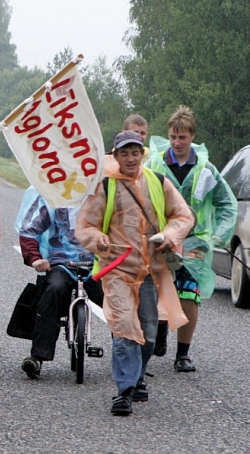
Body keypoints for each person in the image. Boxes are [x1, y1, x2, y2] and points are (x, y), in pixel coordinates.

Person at [76, 130, 193, 415]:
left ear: (142, 154)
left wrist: (169, 234)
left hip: (151, 271)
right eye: (124, 153)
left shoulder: (158, 182)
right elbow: (85, 225)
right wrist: (97, 239)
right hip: (117, 271)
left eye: (135, 152)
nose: (130, 158)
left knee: (150, 332)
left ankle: (138, 376)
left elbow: (183, 215)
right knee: (125, 328)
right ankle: (124, 390)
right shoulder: (106, 186)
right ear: (115, 156)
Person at [147, 106, 237, 372]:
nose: (177, 142)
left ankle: (182, 354)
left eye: (183, 137)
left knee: (188, 293)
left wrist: (219, 236)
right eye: (173, 136)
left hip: (194, 241)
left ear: (192, 137)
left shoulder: (205, 169)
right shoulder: (154, 166)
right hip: (160, 239)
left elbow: (226, 205)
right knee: (157, 290)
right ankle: (160, 329)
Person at [15, 187, 103, 380]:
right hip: (62, 262)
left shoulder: (104, 193)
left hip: (98, 262)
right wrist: (35, 258)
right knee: (53, 290)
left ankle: (129, 356)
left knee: (116, 299)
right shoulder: (53, 195)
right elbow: (30, 229)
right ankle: (37, 357)